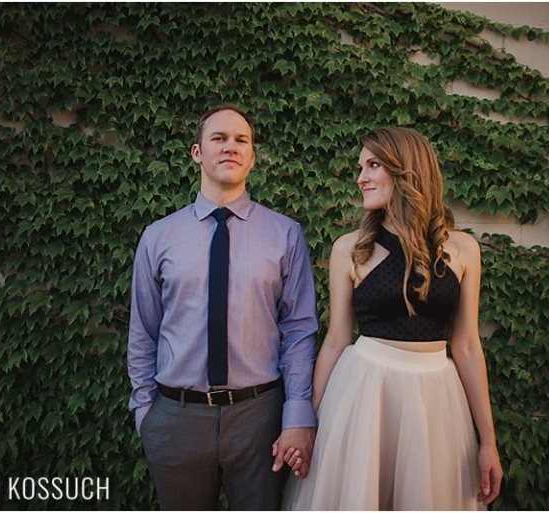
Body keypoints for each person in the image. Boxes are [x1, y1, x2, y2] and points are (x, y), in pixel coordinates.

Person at [282, 127, 503, 510]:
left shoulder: (463, 248)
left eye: (373, 165)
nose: (360, 177)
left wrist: (488, 440)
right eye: (360, 167)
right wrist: (307, 422)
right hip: (364, 393)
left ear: (407, 171)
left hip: (436, 398)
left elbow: (466, 344)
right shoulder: (349, 249)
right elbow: (336, 340)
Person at [127, 104, 318, 510]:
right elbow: (143, 329)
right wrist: (146, 410)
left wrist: (297, 412)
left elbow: (299, 330)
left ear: (252, 156)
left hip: (259, 418)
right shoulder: (158, 237)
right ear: (197, 152)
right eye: (219, 138)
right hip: (176, 418)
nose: (230, 147)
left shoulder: (285, 235)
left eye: (241, 140)